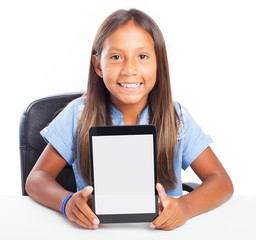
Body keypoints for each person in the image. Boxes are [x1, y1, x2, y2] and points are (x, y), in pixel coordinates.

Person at [25, 8, 234, 231]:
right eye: (116, 57)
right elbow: (37, 178)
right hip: (96, 233)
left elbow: (221, 181)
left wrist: (185, 206)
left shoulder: (176, 119)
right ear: (98, 66)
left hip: (162, 233)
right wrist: (67, 203)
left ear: (159, 64)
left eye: (142, 56)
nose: (130, 69)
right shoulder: (78, 116)